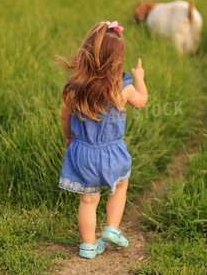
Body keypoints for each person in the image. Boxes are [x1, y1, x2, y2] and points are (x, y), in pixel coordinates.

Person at [58, 21, 148, 259]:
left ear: (86, 53)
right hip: (112, 153)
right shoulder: (123, 87)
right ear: (117, 60)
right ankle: (112, 228)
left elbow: (65, 117)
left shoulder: (74, 87)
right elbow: (141, 101)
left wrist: (69, 139)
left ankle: (88, 245)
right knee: (119, 187)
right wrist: (139, 77)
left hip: (83, 153)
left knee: (88, 201)